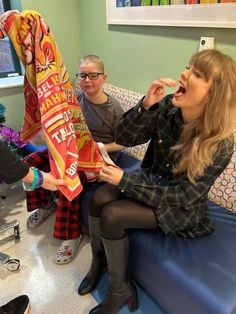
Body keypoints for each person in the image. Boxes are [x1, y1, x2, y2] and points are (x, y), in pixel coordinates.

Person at [78, 49, 236, 314]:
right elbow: (125, 137)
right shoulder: (167, 107)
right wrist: (145, 106)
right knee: (98, 198)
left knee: (113, 214)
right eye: (188, 67)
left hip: (180, 207)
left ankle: (120, 289)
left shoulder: (219, 143)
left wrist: (125, 181)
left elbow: (184, 196)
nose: (183, 74)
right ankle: (98, 262)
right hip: (149, 179)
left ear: (213, 94)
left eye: (196, 74)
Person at [24, 55, 124, 264]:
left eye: (93, 75)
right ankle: (45, 205)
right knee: (33, 161)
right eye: (82, 75)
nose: (87, 80)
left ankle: (72, 235)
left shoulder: (114, 109)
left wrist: (96, 147)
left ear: (104, 78)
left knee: (69, 176)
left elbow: (123, 143)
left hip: (98, 158)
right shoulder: (75, 100)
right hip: (72, 151)